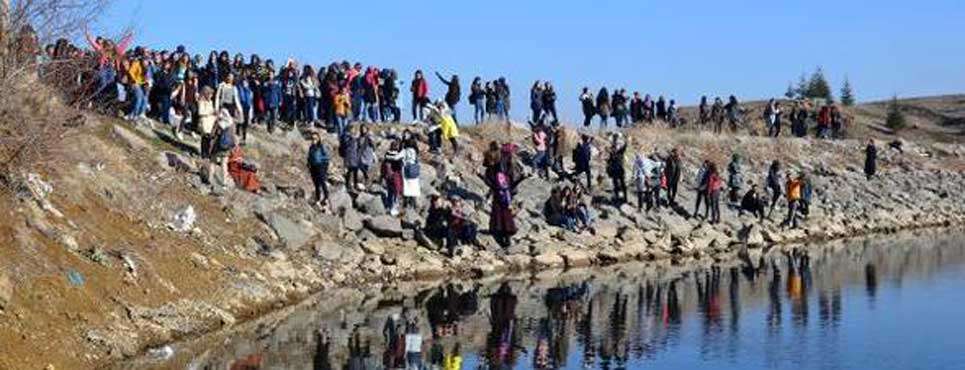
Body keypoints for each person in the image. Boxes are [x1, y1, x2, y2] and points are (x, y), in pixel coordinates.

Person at [307, 132, 331, 207]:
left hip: (320, 166)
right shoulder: (311, 147)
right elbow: (309, 156)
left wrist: (323, 163)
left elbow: (327, 157)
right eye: (312, 138)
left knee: (322, 181)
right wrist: (308, 163)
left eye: (315, 138)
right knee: (316, 184)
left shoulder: (321, 147)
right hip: (313, 167)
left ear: (318, 139)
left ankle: (326, 197)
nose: (314, 140)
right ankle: (318, 198)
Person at [382, 140, 404, 215]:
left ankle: (388, 206)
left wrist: (383, 175)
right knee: (396, 192)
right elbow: (400, 166)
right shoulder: (398, 155)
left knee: (390, 192)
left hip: (388, 176)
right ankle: (394, 208)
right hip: (395, 175)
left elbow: (384, 165)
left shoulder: (387, 154)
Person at [606, 134, 628, 204]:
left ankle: (624, 198)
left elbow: (624, 147)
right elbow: (609, 160)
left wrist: (626, 139)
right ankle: (618, 197)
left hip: (619, 170)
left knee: (622, 184)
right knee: (616, 184)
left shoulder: (620, 152)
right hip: (615, 170)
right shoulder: (613, 152)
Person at [196, 86, 217, 159]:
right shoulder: (202, 102)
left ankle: (207, 153)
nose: (211, 96)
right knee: (204, 139)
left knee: (209, 139)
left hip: (210, 122)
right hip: (204, 122)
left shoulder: (210, 102)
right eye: (210, 94)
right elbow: (200, 112)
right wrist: (210, 112)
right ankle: (203, 153)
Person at [401, 139, 421, 212]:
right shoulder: (415, 151)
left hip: (407, 170)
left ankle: (405, 205)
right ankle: (414, 205)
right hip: (415, 171)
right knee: (414, 188)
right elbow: (417, 160)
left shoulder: (405, 151)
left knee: (406, 188)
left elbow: (399, 157)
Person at [340, 126, 362, 191]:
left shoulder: (355, 137)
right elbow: (345, 144)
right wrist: (352, 138)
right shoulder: (345, 136)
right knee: (349, 172)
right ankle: (347, 185)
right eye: (352, 129)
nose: (354, 131)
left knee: (355, 171)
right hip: (348, 156)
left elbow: (358, 146)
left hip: (355, 156)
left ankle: (355, 184)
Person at [262, 69, 282, 133]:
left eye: (271, 74)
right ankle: (269, 129)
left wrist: (280, 100)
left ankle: (272, 130)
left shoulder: (276, 82)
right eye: (269, 74)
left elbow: (279, 92)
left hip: (275, 102)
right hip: (267, 103)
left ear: (273, 75)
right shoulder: (265, 82)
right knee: (268, 117)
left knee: (274, 117)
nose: (270, 75)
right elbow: (263, 92)